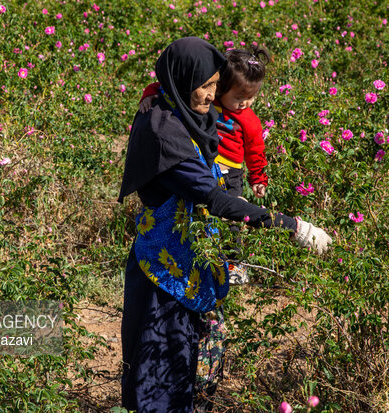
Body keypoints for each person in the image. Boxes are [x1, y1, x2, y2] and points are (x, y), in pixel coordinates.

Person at [118, 37, 332, 413]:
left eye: (216, 84)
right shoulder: (164, 134)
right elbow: (215, 199)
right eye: (206, 86)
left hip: (187, 256)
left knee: (190, 359)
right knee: (162, 368)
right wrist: (292, 226)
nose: (213, 95)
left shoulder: (172, 103)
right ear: (183, 81)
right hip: (163, 271)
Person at [139, 45, 273, 285]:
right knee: (202, 215)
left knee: (233, 217)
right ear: (222, 87)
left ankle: (234, 263)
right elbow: (168, 84)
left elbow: (255, 152)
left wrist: (258, 178)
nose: (245, 104)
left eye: (251, 98)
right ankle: (203, 256)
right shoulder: (208, 98)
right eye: (239, 98)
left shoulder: (249, 120)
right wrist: (149, 93)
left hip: (230, 172)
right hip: (203, 164)